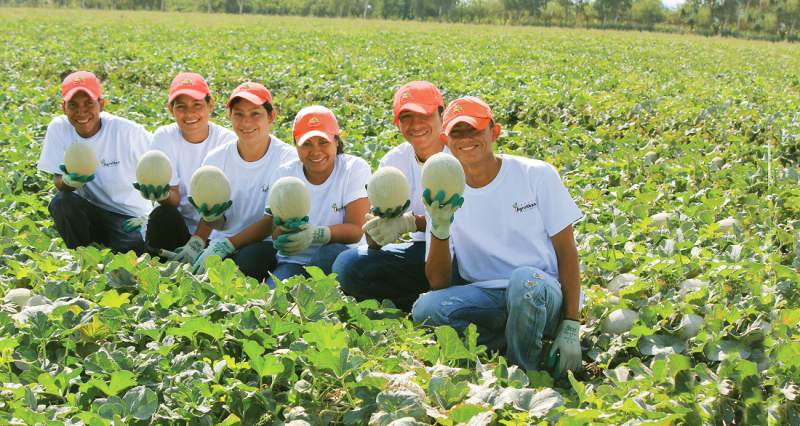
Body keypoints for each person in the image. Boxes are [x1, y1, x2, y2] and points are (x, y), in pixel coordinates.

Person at [410, 96, 584, 376]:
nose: (466, 138)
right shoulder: (445, 189)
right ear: (445, 139)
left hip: (540, 292)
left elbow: (566, 251)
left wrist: (571, 324)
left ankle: (519, 373)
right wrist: (439, 228)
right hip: (487, 297)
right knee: (426, 309)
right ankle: (506, 345)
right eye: (457, 131)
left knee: (524, 281)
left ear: (495, 131)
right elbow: (438, 282)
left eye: (474, 129)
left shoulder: (536, 175)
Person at [333, 81, 446, 311]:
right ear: (397, 123)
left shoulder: (460, 153)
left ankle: (422, 303)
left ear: (441, 114)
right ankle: (423, 303)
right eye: (406, 117)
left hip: (462, 250)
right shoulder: (393, 163)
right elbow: (375, 241)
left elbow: (469, 223)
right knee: (348, 265)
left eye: (424, 114)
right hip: (420, 252)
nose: (416, 124)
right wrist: (377, 231)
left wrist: (412, 222)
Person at [174, 82, 297, 281]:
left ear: (271, 116)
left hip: (263, 243)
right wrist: (198, 240)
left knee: (249, 261)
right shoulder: (216, 159)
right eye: (238, 114)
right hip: (221, 242)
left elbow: (272, 220)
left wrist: (228, 245)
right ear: (229, 116)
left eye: (255, 114)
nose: (246, 122)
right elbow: (217, 220)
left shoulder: (288, 160)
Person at [37, 71, 152, 254]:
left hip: (128, 216)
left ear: (101, 104)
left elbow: (161, 163)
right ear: (63, 107)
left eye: (88, 103)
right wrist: (68, 182)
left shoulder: (128, 132)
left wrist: (149, 216)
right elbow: (58, 180)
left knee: (133, 249)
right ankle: (83, 255)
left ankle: (109, 247)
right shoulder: (59, 128)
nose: (81, 111)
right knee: (61, 202)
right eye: (73, 105)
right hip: (91, 210)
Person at [126, 72, 237, 252]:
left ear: (211, 105)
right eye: (181, 107)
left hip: (217, 232)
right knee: (162, 214)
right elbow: (174, 199)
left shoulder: (227, 141)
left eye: (197, 105)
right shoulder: (164, 137)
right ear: (171, 109)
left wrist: (198, 241)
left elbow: (220, 205)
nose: (189, 113)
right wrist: (162, 195)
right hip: (180, 227)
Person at [265, 105, 370, 288]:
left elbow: (356, 229)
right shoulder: (284, 175)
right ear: (296, 146)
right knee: (273, 296)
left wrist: (315, 234)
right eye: (306, 144)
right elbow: (275, 232)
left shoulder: (353, 169)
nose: (315, 151)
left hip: (339, 254)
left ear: (336, 141)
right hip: (294, 260)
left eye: (323, 142)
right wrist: (284, 234)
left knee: (327, 256)